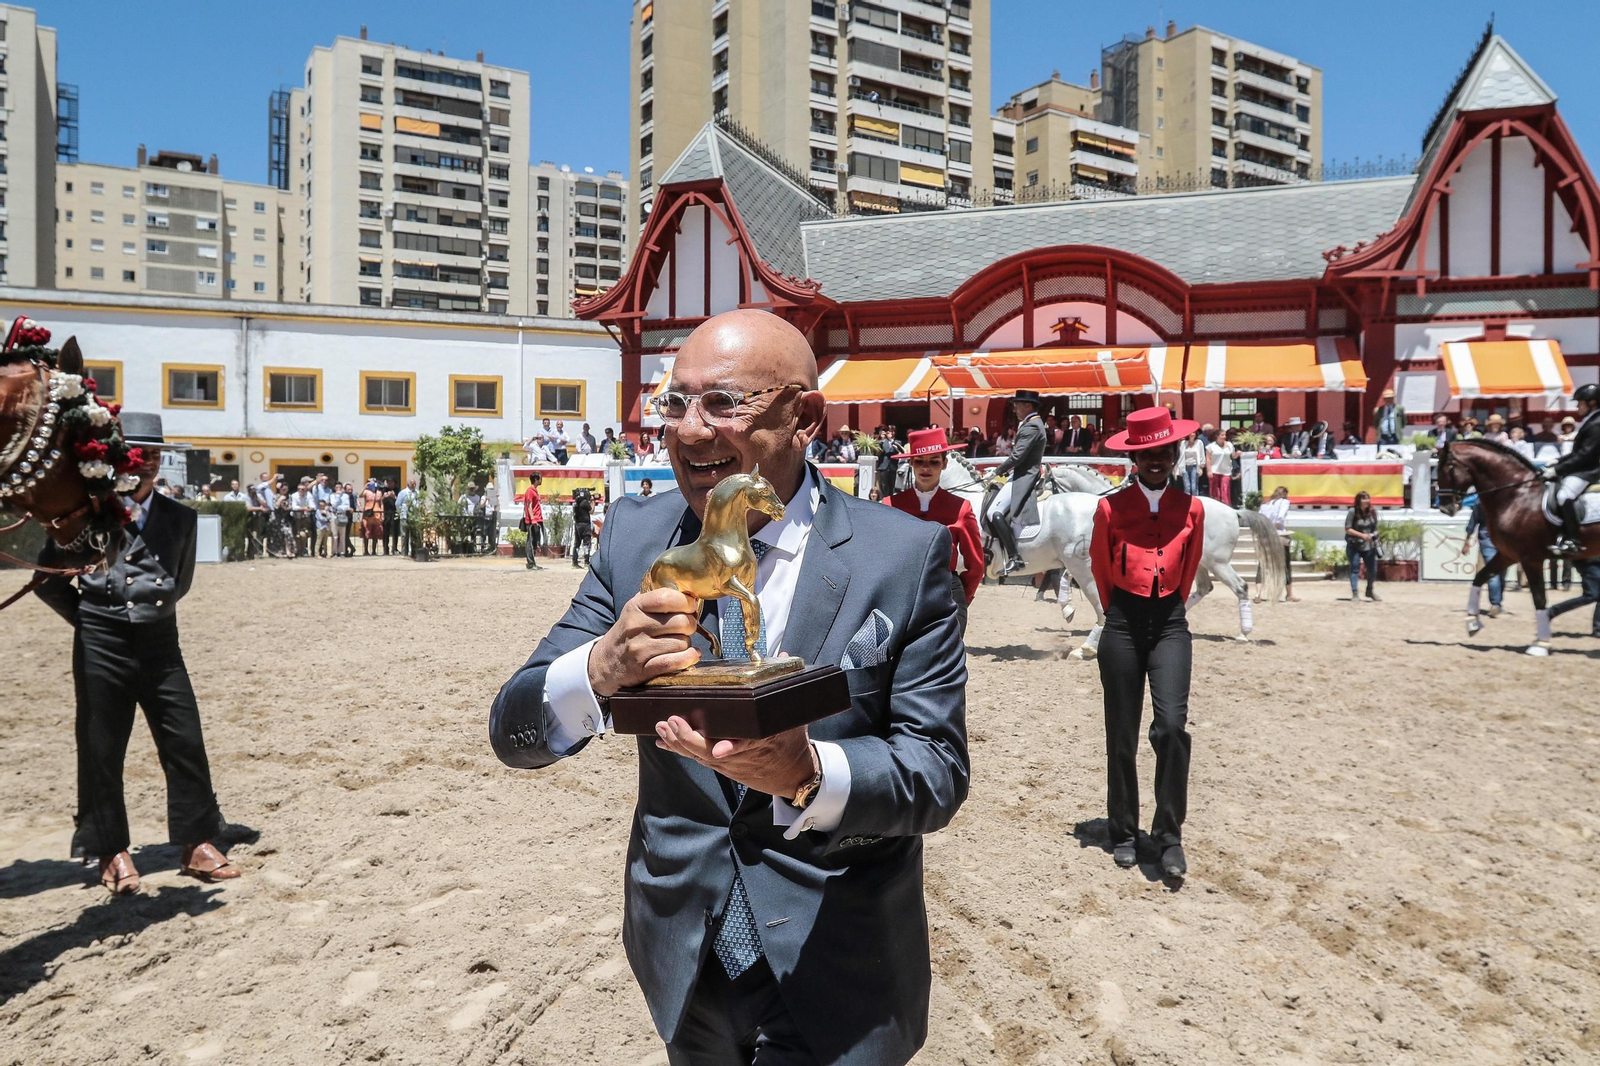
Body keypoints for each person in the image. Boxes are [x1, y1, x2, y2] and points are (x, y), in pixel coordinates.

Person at [490, 309, 968, 1066]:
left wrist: (808, 774)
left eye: (722, 403)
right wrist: (601, 669)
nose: (688, 429)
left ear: (803, 418)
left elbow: (936, 772)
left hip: (839, 964)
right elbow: (513, 731)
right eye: (675, 402)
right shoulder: (635, 538)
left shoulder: (904, 557)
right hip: (683, 956)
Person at [34, 413, 241, 894]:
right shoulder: (85, 514)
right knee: (102, 747)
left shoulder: (181, 518)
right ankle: (111, 850)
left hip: (161, 643)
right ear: (115, 459)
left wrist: (146, 612)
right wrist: (92, 619)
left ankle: (196, 843)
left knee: (184, 740)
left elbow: (179, 582)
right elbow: (47, 579)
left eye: (152, 455)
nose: (144, 463)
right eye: (134, 454)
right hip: (101, 644)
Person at [1089, 406, 1205, 878]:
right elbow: (1100, 567)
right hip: (1122, 622)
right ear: (1133, 459)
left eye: (1164, 451)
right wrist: (1118, 611)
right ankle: (1123, 831)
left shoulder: (1192, 508)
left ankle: (1168, 834)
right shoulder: (1110, 508)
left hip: (1170, 623)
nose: (1156, 460)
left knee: (1172, 727)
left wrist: (1166, 606)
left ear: (1175, 454)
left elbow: (1189, 569)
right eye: (1147, 453)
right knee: (1122, 733)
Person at [886, 428, 984, 636]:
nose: (926, 468)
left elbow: (975, 565)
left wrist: (961, 599)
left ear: (945, 463)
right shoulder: (891, 505)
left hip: (947, 595)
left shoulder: (961, 508)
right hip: (902, 596)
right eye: (919, 461)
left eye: (934, 462)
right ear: (911, 463)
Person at [988, 389, 1047, 574]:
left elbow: (1017, 457)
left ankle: (1015, 557)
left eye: (1017, 405)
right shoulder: (1031, 423)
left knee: (994, 512)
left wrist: (997, 471)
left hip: (1024, 475)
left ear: (1028, 406)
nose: (1015, 409)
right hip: (1021, 472)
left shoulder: (1032, 426)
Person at [1538, 382, 1599, 556]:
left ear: (1592, 403)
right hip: (1582, 467)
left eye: (1580, 403)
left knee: (1564, 496)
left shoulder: (1597, 423)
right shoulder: (1590, 420)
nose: (1578, 406)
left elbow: (1585, 455)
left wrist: (1557, 470)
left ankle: (1573, 539)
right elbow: (1577, 453)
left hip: (1590, 470)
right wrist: (1557, 461)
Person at [1461, 494, 1504, 618]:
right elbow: (1473, 521)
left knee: (1500, 572)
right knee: (1494, 571)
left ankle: (1497, 602)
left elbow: (1473, 521)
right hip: (1495, 539)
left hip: (1494, 539)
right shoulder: (1502, 497)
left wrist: (1467, 542)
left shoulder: (1481, 500)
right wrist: (1466, 542)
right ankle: (1495, 603)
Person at [1255, 486, 1300, 603]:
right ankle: (1289, 594)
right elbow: (1280, 517)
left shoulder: (1265, 504)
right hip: (1278, 535)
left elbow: (1259, 519)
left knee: (1263, 564)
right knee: (1285, 565)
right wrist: (1273, 528)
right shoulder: (1284, 502)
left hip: (1265, 536)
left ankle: (1258, 593)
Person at [1548, 557, 1600, 638]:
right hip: (1590, 561)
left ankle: (1598, 629)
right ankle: (1552, 611)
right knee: (1591, 595)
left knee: (1594, 595)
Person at [1344, 490, 1380, 602]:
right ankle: (1355, 593)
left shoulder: (1373, 512)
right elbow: (1348, 529)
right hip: (1354, 544)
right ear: (1358, 500)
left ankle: (1370, 590)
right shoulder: (1352, 512)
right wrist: (1362, 536)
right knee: (1355, 568)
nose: (1366, 501)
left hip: (1369, 545)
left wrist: (1374, 535)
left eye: (1368, 498)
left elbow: (1376, 529)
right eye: (1364, 499)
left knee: (1372, 569)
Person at [520, 473, 544, 570]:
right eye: (540, 479)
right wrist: (532, 519)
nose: (541, 480)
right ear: (536, 479)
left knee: (535, 541)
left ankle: (532, 562)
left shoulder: (535, 491)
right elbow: (529, 505)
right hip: (532, 521)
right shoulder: (530, 491)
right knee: (530, 541)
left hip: (537, 519)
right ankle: (530, 563)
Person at [1206, 429, 1236, 505]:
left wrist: (1238, 454)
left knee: (1225, 490)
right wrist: (1209, 470)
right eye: (1222, 435)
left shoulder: (1229, 445)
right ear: (1217, 436)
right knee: (1215, 492)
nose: (1224, 437)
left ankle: (1227, 507)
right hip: (1215, 470)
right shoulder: (1211, 446)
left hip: (1226, 471)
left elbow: (1233, 456)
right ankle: (1215, 507)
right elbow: (1208, 459)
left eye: (1225, 435)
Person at [570, 486, 594, 568]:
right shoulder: (584, 503)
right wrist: (593, 501)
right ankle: (586, 562)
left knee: (577, 543)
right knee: (586, 544)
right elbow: (591, 511)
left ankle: (574, 562)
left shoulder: (576, 504)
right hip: (585, 525)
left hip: (578, 525)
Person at [395, 477, 419, 556]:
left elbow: (419, 502)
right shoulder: (403, 492)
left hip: (414, 517)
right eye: (412, 484)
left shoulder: (417, 493)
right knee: (404, 535)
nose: (413, 485)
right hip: (405, 516)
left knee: (414, 535)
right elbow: (398, 504)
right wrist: (400, 513)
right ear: (408, 484)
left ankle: (414, 552)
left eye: (414, 484)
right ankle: (404, 552)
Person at [360, 479, 384, 556]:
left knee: (376, 532)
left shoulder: (379, 492)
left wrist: (382, 513)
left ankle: (374, 550)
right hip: (368, 513)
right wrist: (365, 487)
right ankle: (366, 550)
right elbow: (360, 496)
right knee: (367, 531)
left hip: (377, 513)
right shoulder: (366, 492)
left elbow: (381, 503)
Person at [331, 481, 352, 559]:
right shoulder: (332, 495)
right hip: (335, 515)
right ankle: (334, 552)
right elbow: (334, 505)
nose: (338, 489)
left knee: (342, 535)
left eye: (340, 487)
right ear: (334, 488)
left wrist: (339, 508)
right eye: (337, 487)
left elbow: (347, 506)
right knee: (335, 535)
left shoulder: (345, 496)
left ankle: (342, 552)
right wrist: (338, 496)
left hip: (343, 515)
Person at [382, 478, 400, 555]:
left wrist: (394, 496)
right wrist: (384, 497)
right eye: (388, 482)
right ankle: (385, 549)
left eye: (391, 482)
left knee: (395, 532)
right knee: (385, 532)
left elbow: (399, 501)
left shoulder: (398, 490)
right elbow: (379, 501)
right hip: (386, 513)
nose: (390, 484)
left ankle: (394, 548)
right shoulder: (383, 490)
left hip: (394, 513)